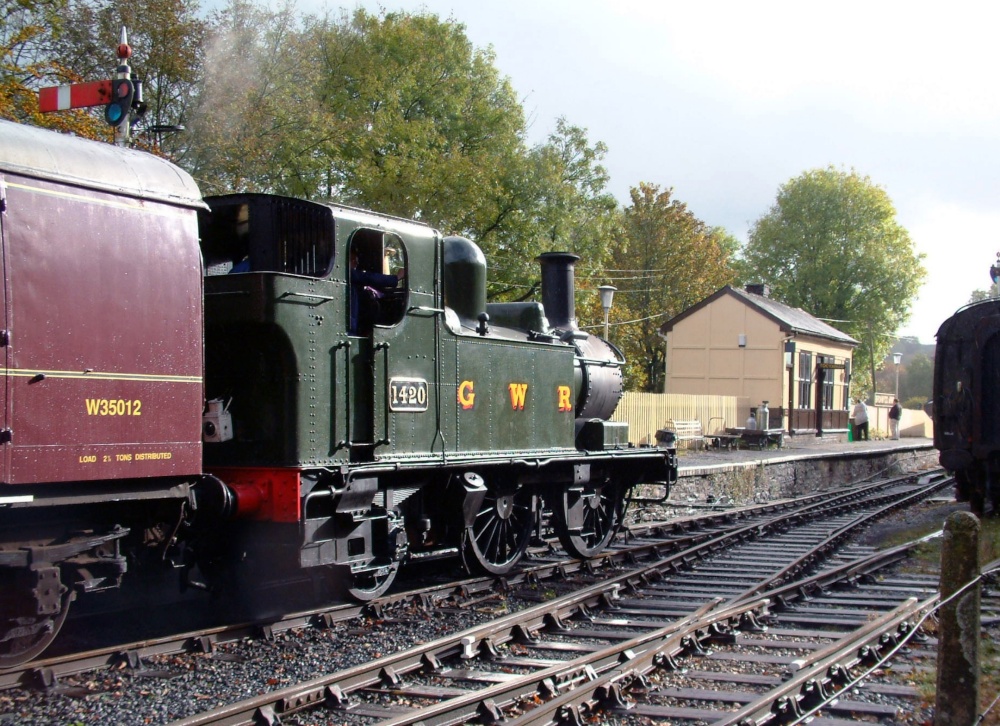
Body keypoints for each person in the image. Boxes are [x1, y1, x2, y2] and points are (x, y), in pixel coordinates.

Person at [349, 248, 403, 335]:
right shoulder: (351, 274)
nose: (357, 263)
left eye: (356, 260)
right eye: (353, 260)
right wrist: (397, 277)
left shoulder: (355, 281)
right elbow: (369, 278)